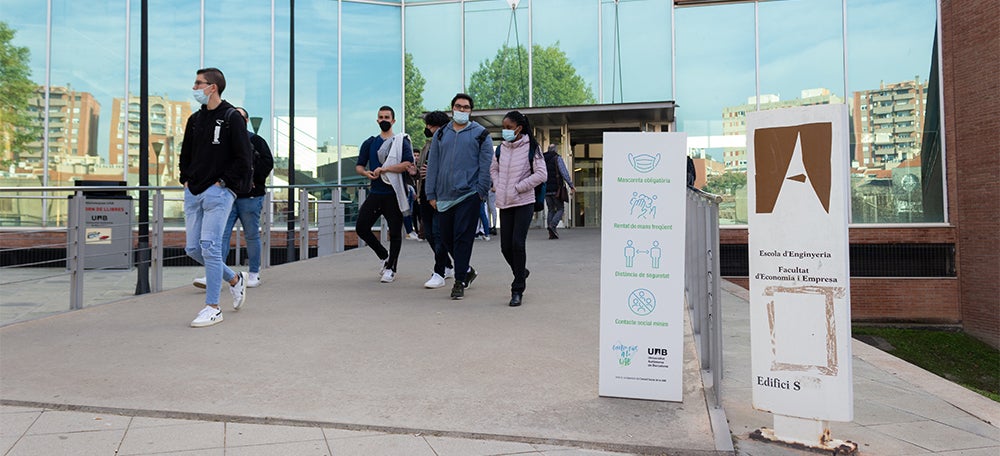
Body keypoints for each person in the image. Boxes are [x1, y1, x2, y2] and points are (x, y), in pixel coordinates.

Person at [179, 67, 253, 328]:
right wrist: (185, 179)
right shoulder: (195, 120)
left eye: (199, 83)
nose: (195, 88)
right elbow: (185, 154)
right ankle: (234, 279)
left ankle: (213, 307)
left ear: (213, 87)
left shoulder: (232, 117)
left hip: (218, 192)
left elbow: (245, 158)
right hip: (194, 191)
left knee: (210, 247)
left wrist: (223, 183)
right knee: (193, 248)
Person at [192, 107, 273, 290]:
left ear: (245, 121)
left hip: (250, 197)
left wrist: (252, 180)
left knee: (251, 235)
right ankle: (216, 274)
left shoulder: (256, 140)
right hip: (227, 196)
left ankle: (253, 274)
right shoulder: (222, 142)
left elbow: (267, 163)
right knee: (219, 236)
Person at [424, 93, 493, 300]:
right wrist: (431, 193)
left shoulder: (481, 134)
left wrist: (481, 191)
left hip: (469, 194)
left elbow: (486, 166)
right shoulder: (441, 134)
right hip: (443, 196)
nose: (461, 110)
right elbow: (433, 164)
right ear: (452, 108)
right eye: (458, 106)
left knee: (462, 237)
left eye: (465, 107)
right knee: (445, 238)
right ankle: (467, 270)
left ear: (471, 111)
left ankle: (459, 280)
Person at [490, 111, 547, 307]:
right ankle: (521, 271)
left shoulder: (532, 147)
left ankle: (517, 288)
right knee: (505, 247)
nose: (505, 131)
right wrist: (498, 185)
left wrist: (518, 187)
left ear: (519, 128)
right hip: (505, 202)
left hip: (524, 201)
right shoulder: (501, 149)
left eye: (508, 128)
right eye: (503, 127)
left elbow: (541, 174)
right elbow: (493, 169)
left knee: (517, 243)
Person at [355, 105, 414, 283]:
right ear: (377, 120)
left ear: (393, 120)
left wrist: (385, 169)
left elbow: (407, 164)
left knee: (395, 232)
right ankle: (384, 256)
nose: (384, 120)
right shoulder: (370, 143)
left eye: (387, 117)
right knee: (361, 227)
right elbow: (359, 166)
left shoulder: (401, 141)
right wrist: (367, 173)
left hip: (393, 194)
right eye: (381, 117)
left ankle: (391, 268)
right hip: (375, 192)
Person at [417, 111, 455, 289]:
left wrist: (434, 173)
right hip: (426, 192)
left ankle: (439, 271)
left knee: (439, 233)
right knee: (431, 234)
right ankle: (450, 266)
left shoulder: (448, 143)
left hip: (441, 194)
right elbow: (423, 168)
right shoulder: (428, 145)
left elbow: (452, 168)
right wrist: (416, 172)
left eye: (429, 126)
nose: (427, 129)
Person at [543, 143, 575, 239]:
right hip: (557, 189)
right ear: (556, 150)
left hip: (546, 189)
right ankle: (552, 226)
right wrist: (571, 185)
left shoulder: (542, 159)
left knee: (551, 209)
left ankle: (551, 232)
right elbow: (564, 173)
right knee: (560, 209)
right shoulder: (557, 158)